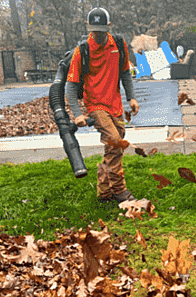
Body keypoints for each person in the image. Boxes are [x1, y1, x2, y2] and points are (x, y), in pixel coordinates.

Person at [65, 7, 140, 204]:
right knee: (115, 141)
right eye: (94, 31)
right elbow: (71, 85)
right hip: (95, 104)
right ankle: (119, 190)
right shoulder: (82, 51)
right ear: (88, 28)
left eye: (101, 30)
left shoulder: (119, 44)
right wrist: (77, 113)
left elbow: (125, 72)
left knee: (115, 145)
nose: (98, 35)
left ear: (109, 27)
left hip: (114, 104)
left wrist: (131, 97)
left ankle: (104, 191)